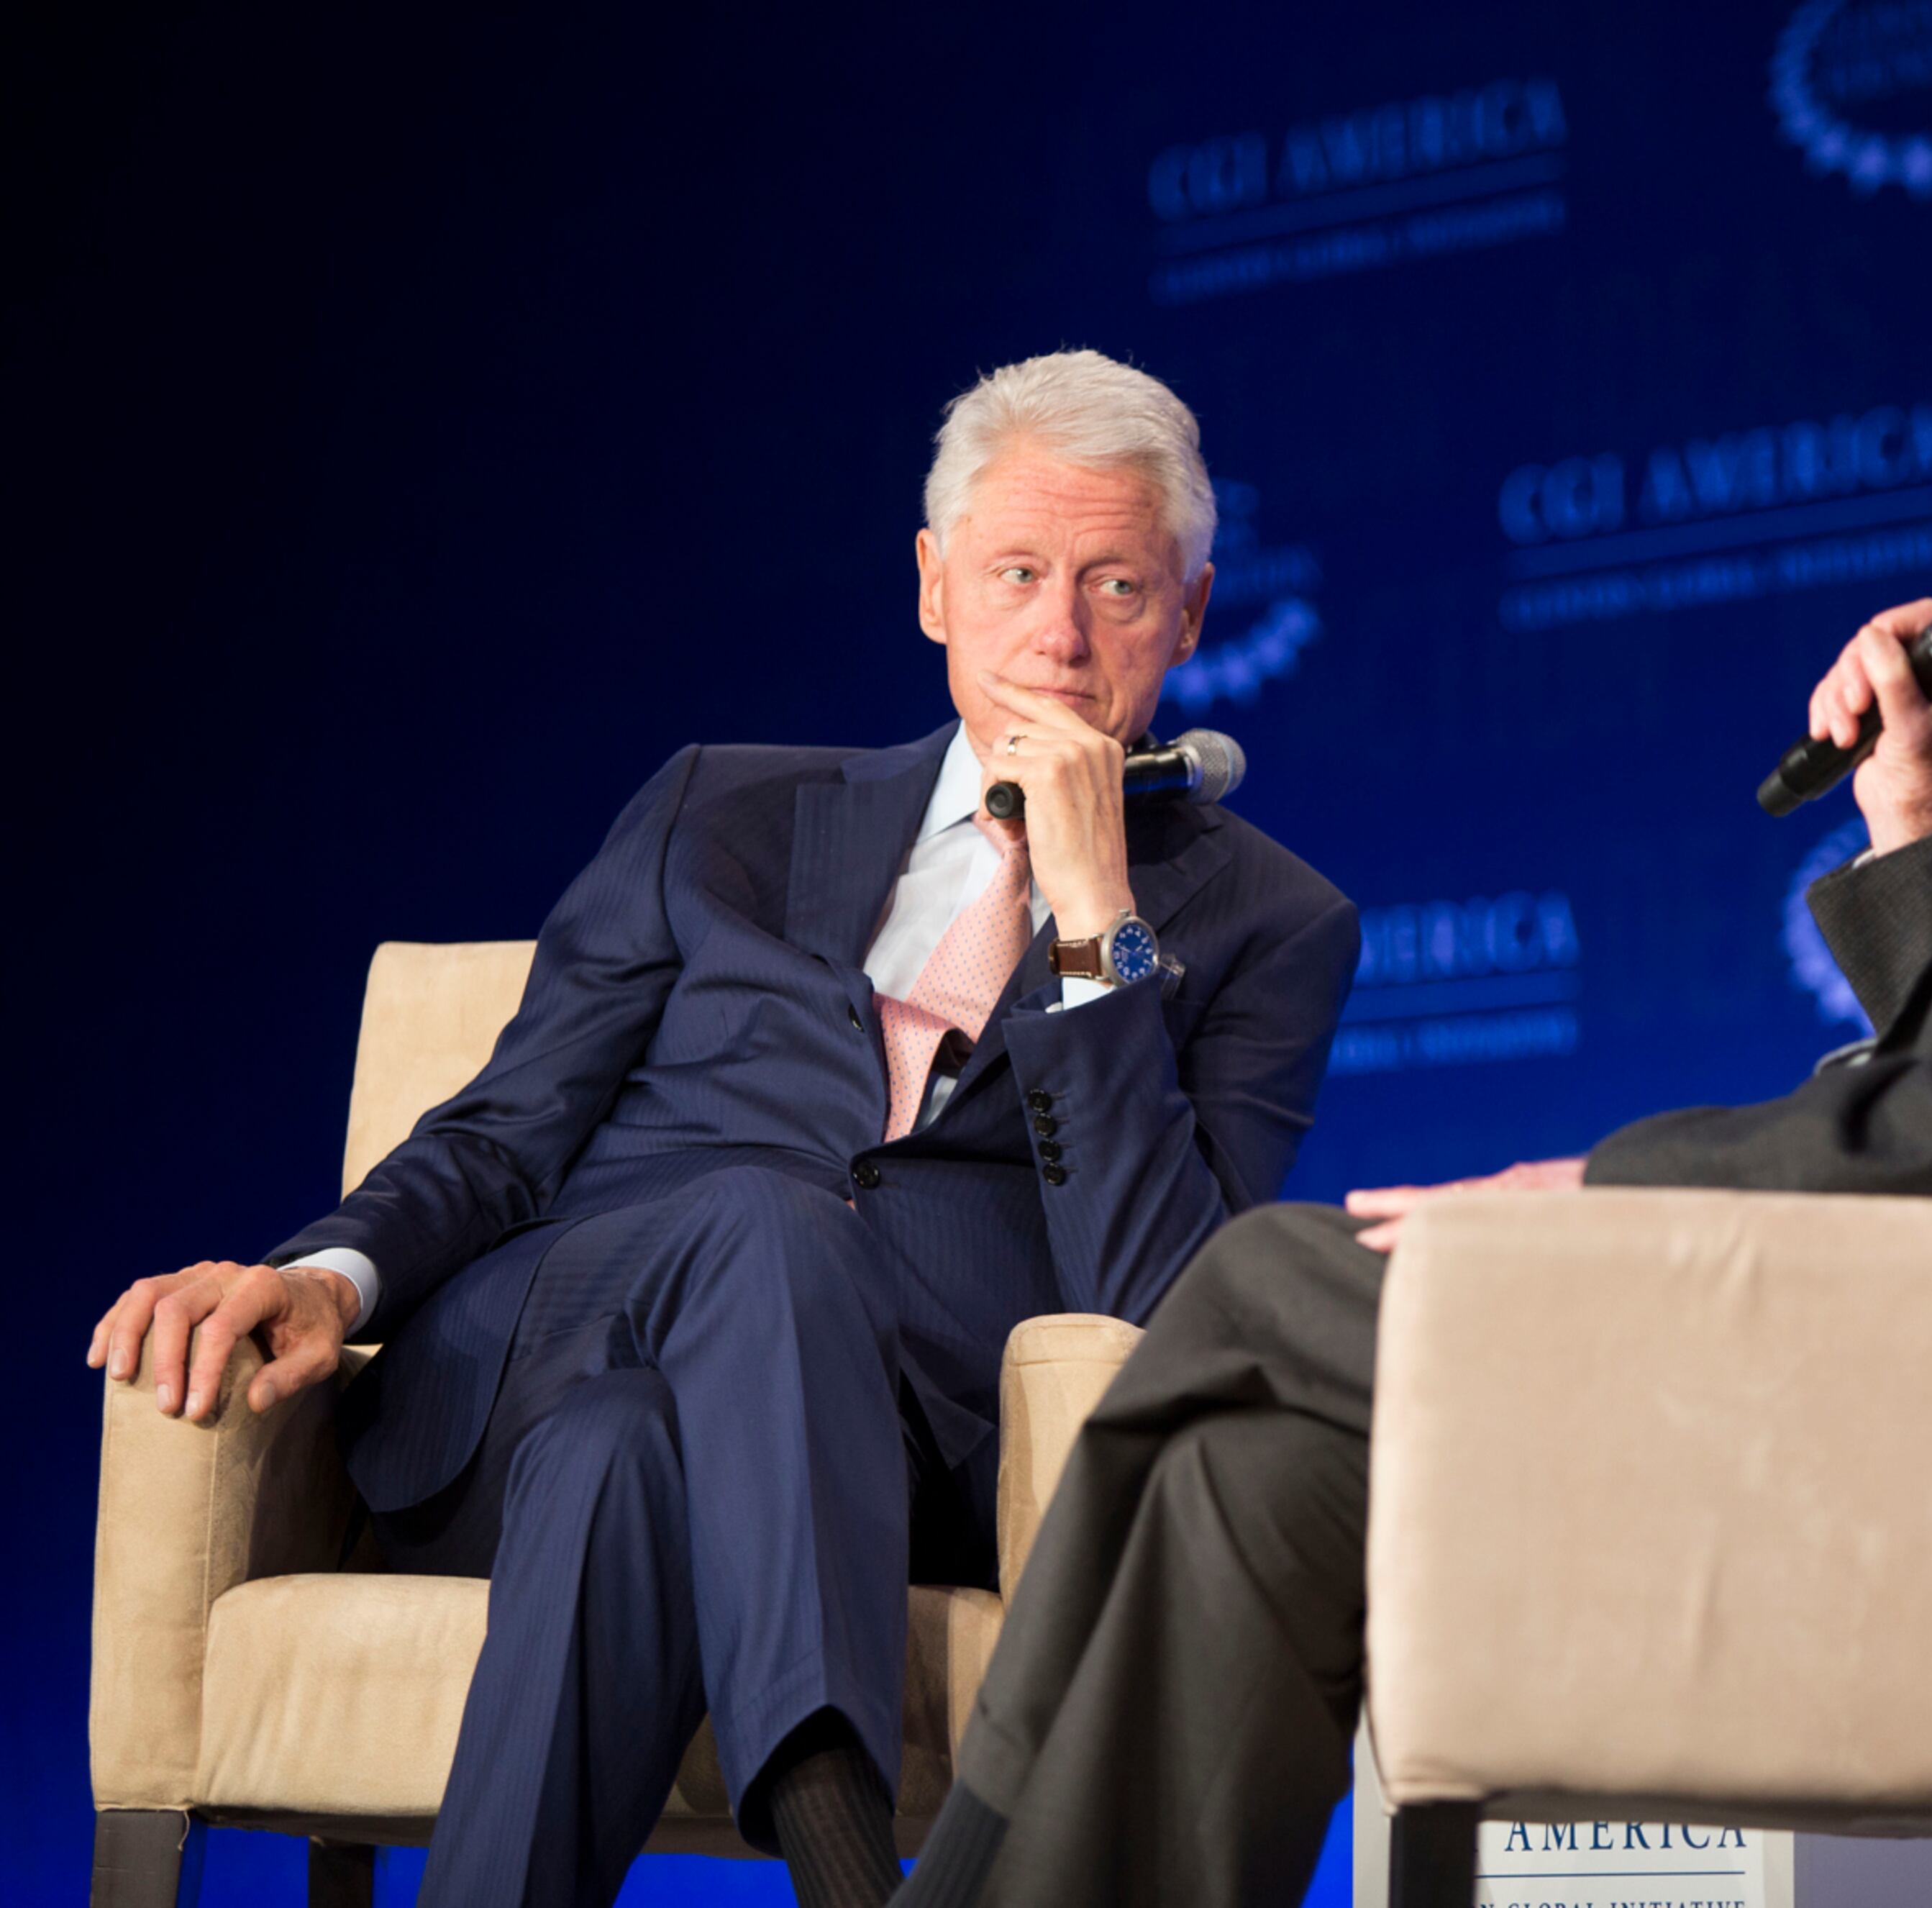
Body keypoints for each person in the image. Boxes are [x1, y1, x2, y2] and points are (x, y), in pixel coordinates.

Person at [893, 216, 1932, 1908]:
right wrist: (1918, 814)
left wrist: (1593, 1200)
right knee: (1256, 1480)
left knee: (1256, 1282)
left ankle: (954, 1877)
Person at [86, 350, 1362, 1908]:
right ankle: (841, 1857)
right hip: (550, 1346)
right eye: (1021, 571)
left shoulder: (1267, 924)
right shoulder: (725, 810)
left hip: (878, 1452)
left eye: (1117, 585)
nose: (1062, 631)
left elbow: (1163, 1300)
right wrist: (331, 1276)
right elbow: (503, 1132)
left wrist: (1098, 920)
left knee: (629, 1466)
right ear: (933, 587)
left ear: (1191, 616)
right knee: (762, 1219)